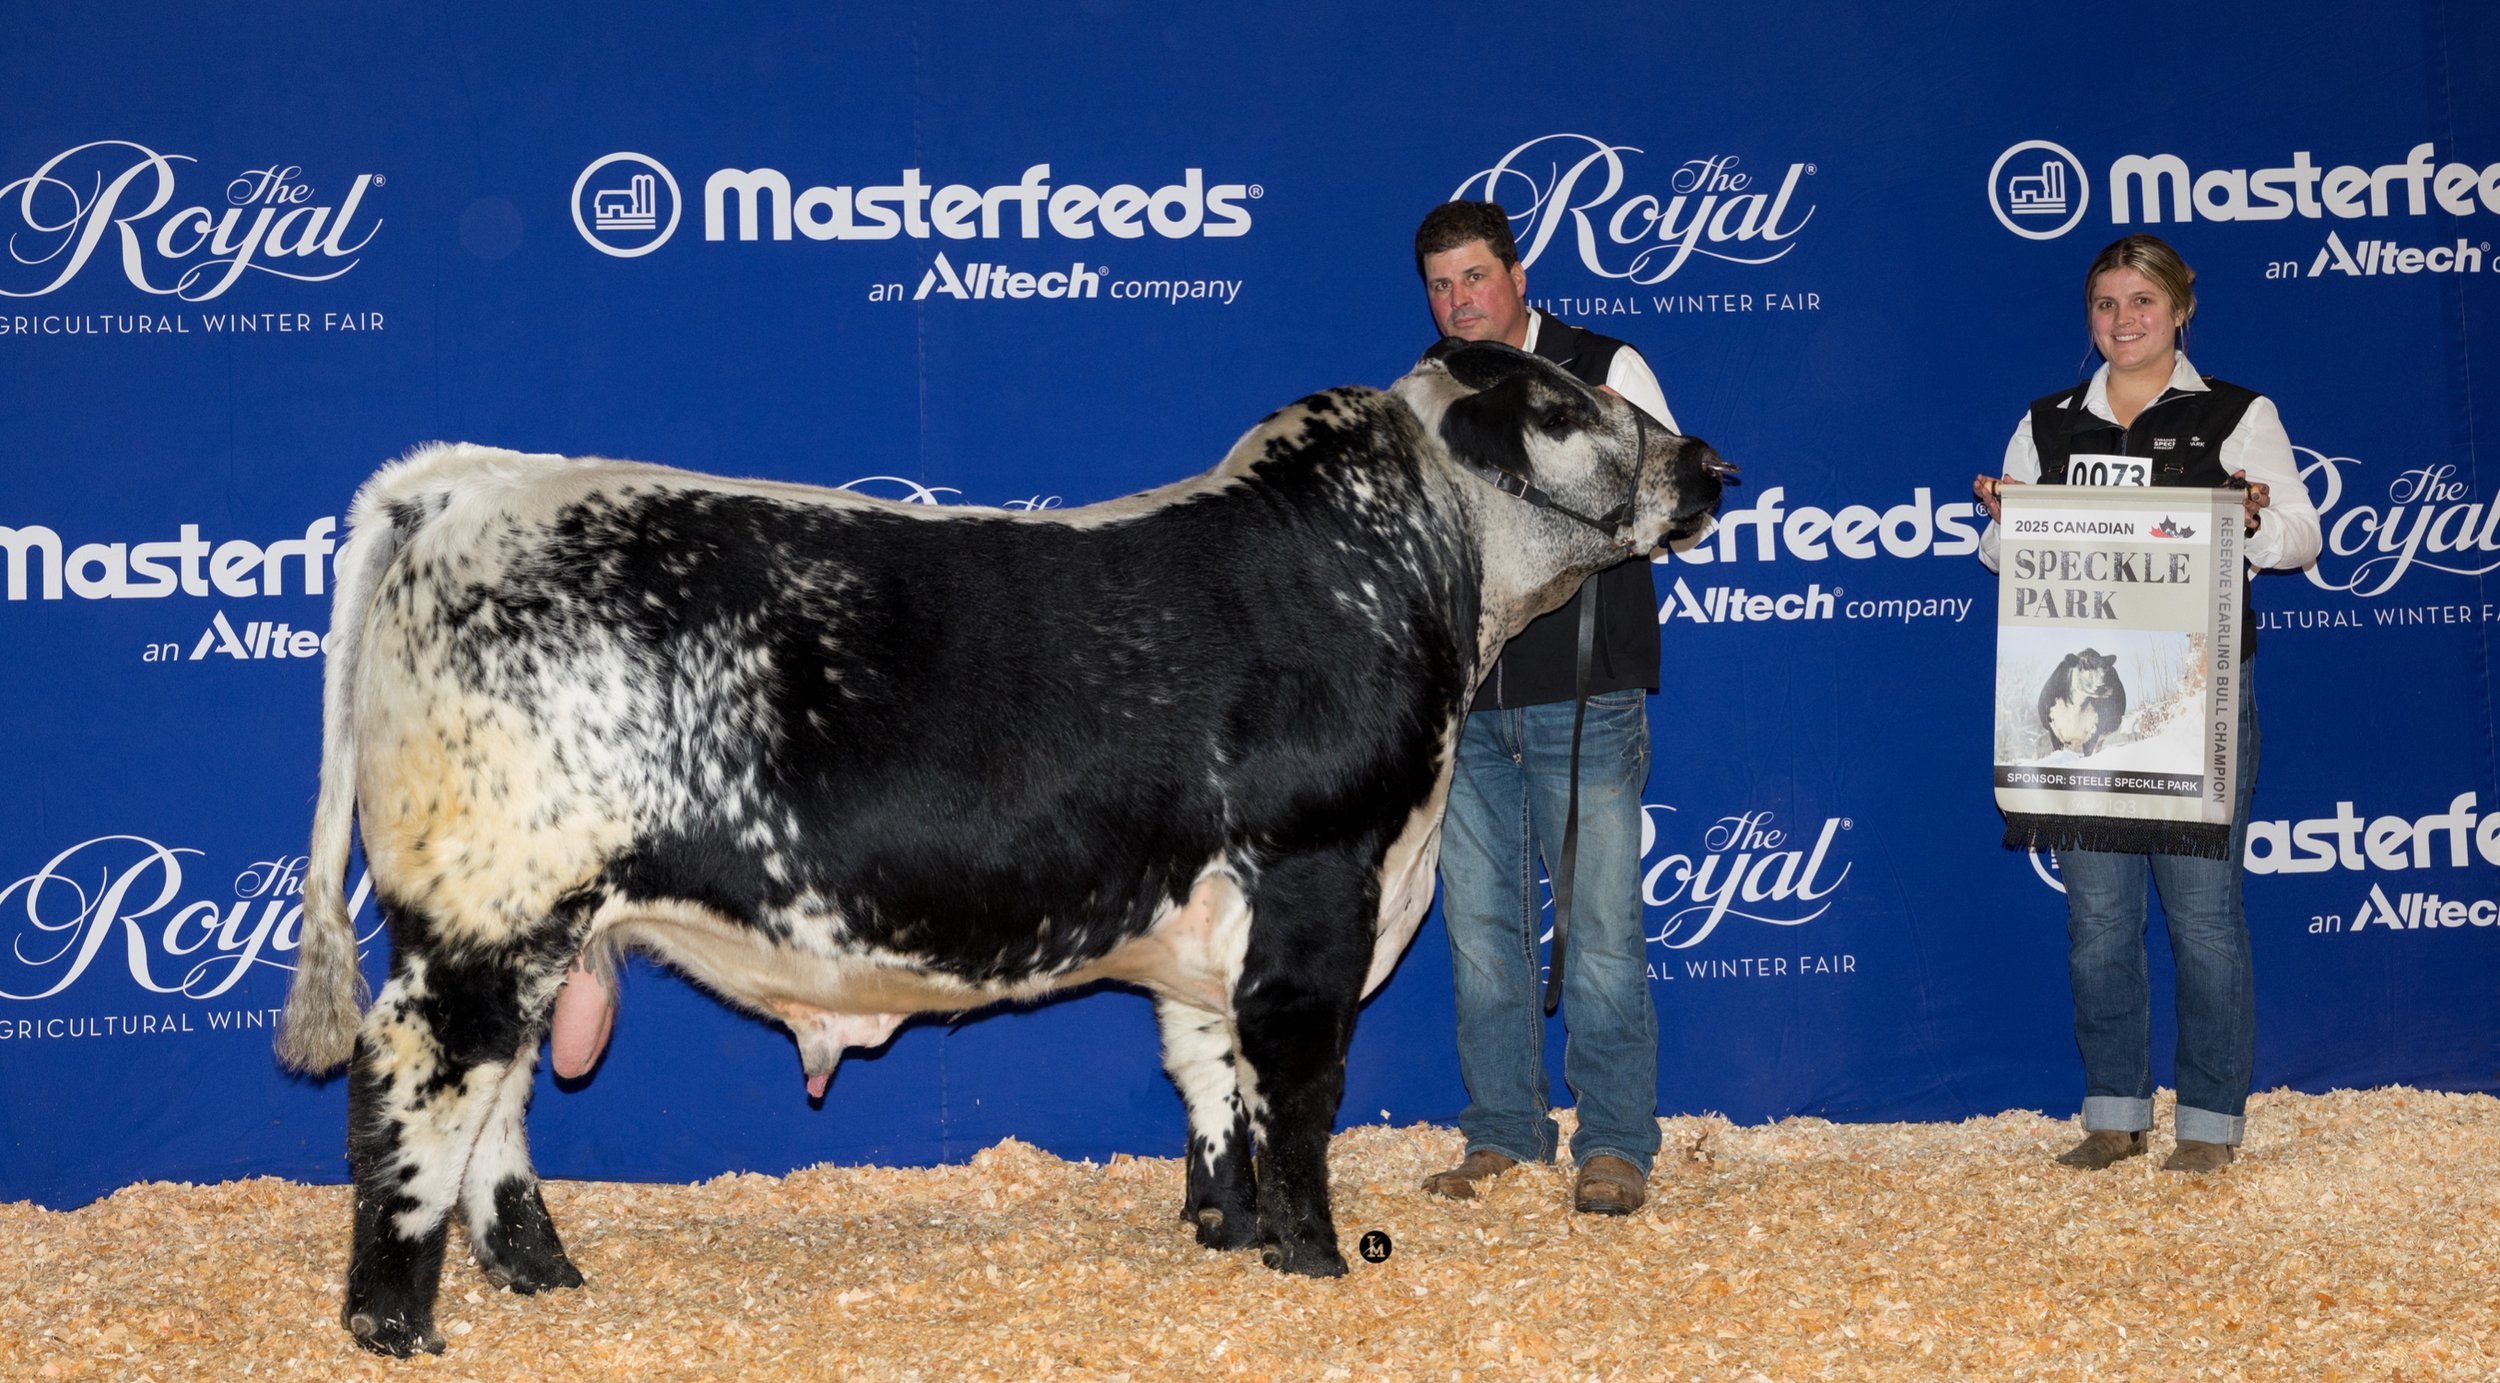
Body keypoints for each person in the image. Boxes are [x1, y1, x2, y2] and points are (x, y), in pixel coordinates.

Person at [1972, 233, 2320, 1174]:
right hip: (2079, 711)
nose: (2123, 321)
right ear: (2088, 317)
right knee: (2096, 921)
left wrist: (2248, 517)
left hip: (2196, 699)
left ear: (2181, 310)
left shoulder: (2239, 414)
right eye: (2106, 304)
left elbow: (2300, 535)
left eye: (2142, 303)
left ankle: (2209, 1120)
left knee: (2203, 917)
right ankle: (2115, 1110)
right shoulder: (2047, 422)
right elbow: (2004, 561)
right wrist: (2008, 520)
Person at [1410, 200, 1675, 1215]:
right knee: (1480, 927)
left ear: (1518, 275)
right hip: (1466, 698)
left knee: (1601, 928)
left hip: (1584, 688)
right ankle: (1501, 1133)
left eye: (1474, 276)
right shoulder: (1431, 391)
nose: (1457, 299)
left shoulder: (1606, 367)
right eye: (1440, 284)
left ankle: (1614, 1143)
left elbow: (1671, 513)